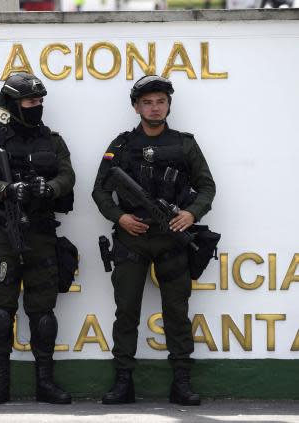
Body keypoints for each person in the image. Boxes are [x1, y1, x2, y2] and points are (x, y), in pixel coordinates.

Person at [92, 75, 216, 406]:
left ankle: (182, 383)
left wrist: (191, 214)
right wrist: (120, 217)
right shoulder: (120, 145)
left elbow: (207, 187)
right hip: (132, 239)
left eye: (160, 101)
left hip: (173, 238)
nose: (155, 107)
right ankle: (122, 383)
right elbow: (100, 190)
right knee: (127, 310)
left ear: (168, 105)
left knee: (177, 310)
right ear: (136, 107)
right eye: (147, 102)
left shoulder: (185, 144)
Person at [0, 72, 75, 405]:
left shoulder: (52, 140)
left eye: (40, 101)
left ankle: (45, 382)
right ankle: (0, 382)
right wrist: (5, 189)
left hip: (41, 233)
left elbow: (68, 175)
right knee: (1, 309)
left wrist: (52, 188)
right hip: (4, 233)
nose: (37, 107)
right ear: (15, 105)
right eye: (31, 102)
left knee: (43, 312)